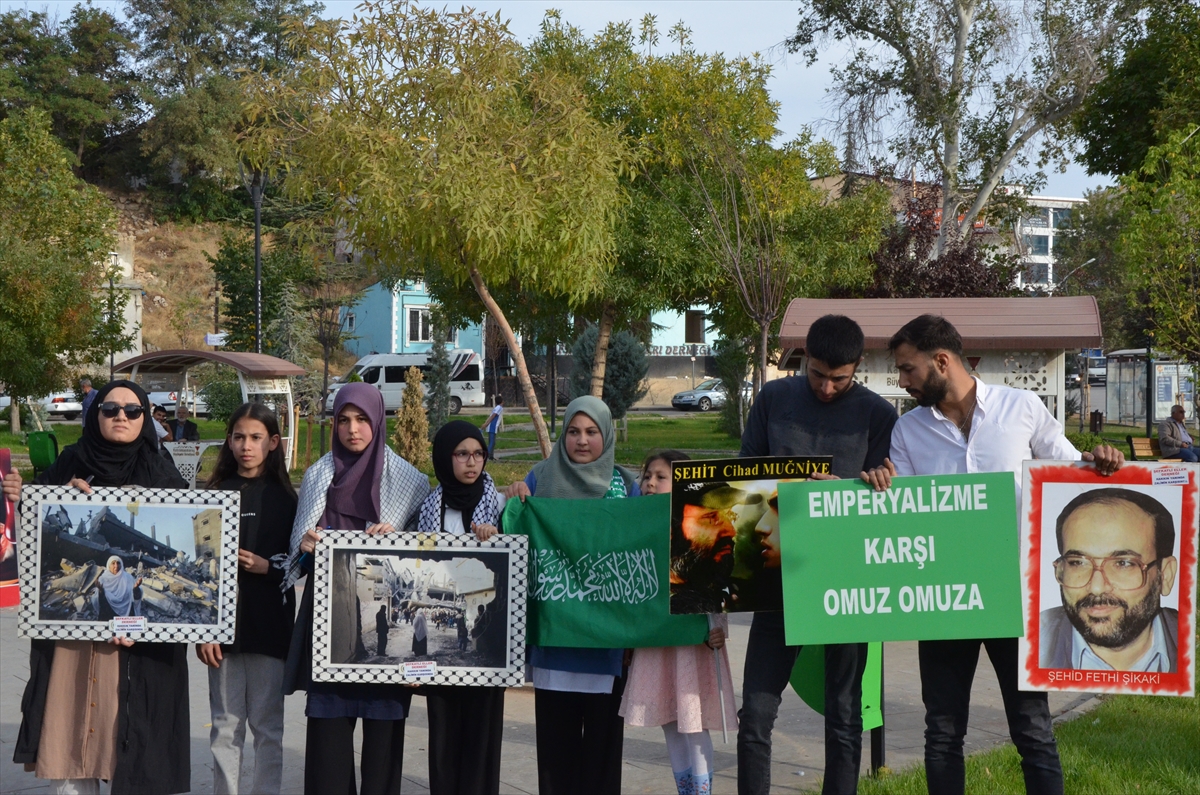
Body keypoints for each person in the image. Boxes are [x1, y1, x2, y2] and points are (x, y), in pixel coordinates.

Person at [861, 314, 1124, 795]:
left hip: (1015, 596)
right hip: (945, 600)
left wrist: (1103, 465)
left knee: (1033, 729)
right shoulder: (907, 431)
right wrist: (877, 488)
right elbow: (904, 516)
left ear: (942, 361)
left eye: (907, 368)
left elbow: (1069, 474)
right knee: (942, 732)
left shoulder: (1021, 408)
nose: (902, 381)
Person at [737, 314, 897, 795]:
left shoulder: (878, 415)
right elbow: (743, 480)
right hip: (779, 574)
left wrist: (855, 489)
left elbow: (889, 506)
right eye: (817, 375)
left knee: (845, 714)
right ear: (804, 358)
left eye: (839, 379)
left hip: (847, 580)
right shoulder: (773, 398)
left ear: (859, 365)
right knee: (755, 714)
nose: (827, 388)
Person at [10, 380, 191, 795]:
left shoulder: (161, 472)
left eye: (132, 410)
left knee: (133, 736)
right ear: (95, 415)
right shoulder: (70, 462)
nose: (120, 417)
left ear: (145, 417)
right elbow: (37, 527)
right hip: (74, 644)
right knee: (72, 731)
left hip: (140, 647)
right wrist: (38, 496)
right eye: (110, 409)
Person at [282, 382, 430, 795]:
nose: (352, 429)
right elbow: (298, 562)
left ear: (378, 421)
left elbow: (426, 558)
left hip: (386, 632)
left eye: (362, 419)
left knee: (382, 750)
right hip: (328, 627)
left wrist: (398, 543)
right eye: (344, 420)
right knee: (328, 746)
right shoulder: (318, 475)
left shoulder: (409, 482)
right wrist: (306, 548)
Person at [503, 396, 639, 795]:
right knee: (555, 757)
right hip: (555, 643)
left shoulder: (625, 485)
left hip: (606, 648)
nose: (582, 441)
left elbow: (640, 555)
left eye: (592, 432)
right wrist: (514, 499)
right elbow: (515, 537)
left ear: (606, 435)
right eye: (574, 432)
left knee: (602, 758)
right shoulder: (539, 479)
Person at [196, 402, 299, 795]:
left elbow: (301, 564)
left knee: (267, 726)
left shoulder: (288, 500)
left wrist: (267, 568)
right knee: (225, 726)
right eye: (239, 437)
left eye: (256, 437)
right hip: (222, 631)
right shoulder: (212, 497)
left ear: (273, 442)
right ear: (228, 441)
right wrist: (204, 629)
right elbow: (198, 569)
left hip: (270, 627)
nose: (246, 446)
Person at [622, 450, 737, 795]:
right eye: (647, 476)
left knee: (693, 720)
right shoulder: (634, 524)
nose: (650, 483)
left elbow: (718, 581)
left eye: (661, 477)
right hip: (654, 640)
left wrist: (718, 627)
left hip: (692, 644)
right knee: (670, 721)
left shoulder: (702, 528)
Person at [416, 419, 508, 795]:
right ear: (444, 457)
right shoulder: (429, 507)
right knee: (443, 733)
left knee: (482, 735)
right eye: (461, 454)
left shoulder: (499, 505)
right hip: (443, 660)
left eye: (478, 454)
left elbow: (512, 563)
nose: (472, 462)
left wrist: (497, 538)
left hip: (489, 650)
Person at [1040, 488, 1179, 672]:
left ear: (1165, 575)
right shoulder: (1032, 642)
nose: (1097, 588)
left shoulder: (1190, 642)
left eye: (1123, 563)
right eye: (1078, 563)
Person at [485, 396, 504, 460]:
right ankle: (486, 455)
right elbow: (493, 416)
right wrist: (487, 423)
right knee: (491, 442)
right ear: (502, 401)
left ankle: (491, 456)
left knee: (493, 442)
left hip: (493, 426)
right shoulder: (499, 408)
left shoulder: (497, 407)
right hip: (492, 426)